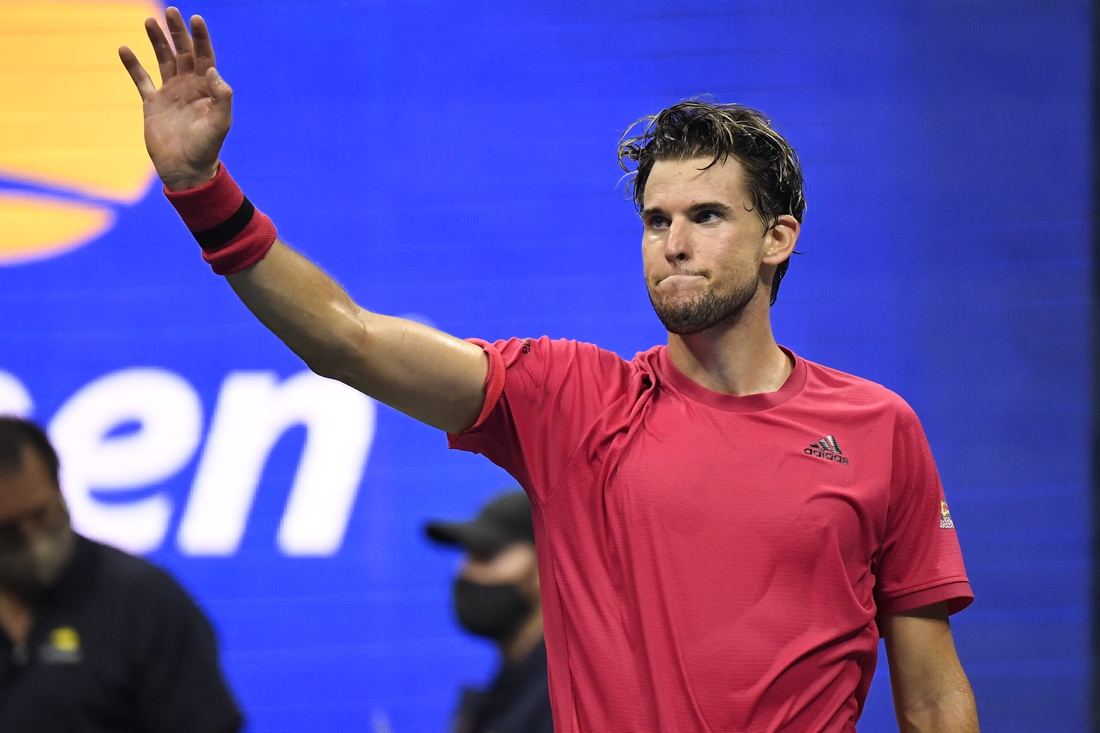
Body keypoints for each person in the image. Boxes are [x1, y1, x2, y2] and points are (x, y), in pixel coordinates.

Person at [118, 8, 979, 731]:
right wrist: (203, 190)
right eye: (655, 220)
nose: (672, 244)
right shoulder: (570, 398)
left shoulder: (877, 427)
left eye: (706, 215)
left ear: (778, 238)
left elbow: (933, 694)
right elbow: (350, 340)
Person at [0, 417, 243, 733]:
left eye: (41, 515)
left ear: (58, 487)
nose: (34, 541)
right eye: (9, 530)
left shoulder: (145, 603)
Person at [425, 490, 553, 733]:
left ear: (545, 565)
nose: (465, 570)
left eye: (485, 555)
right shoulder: (514, 682)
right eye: (467, 554)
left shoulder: (565, 698)